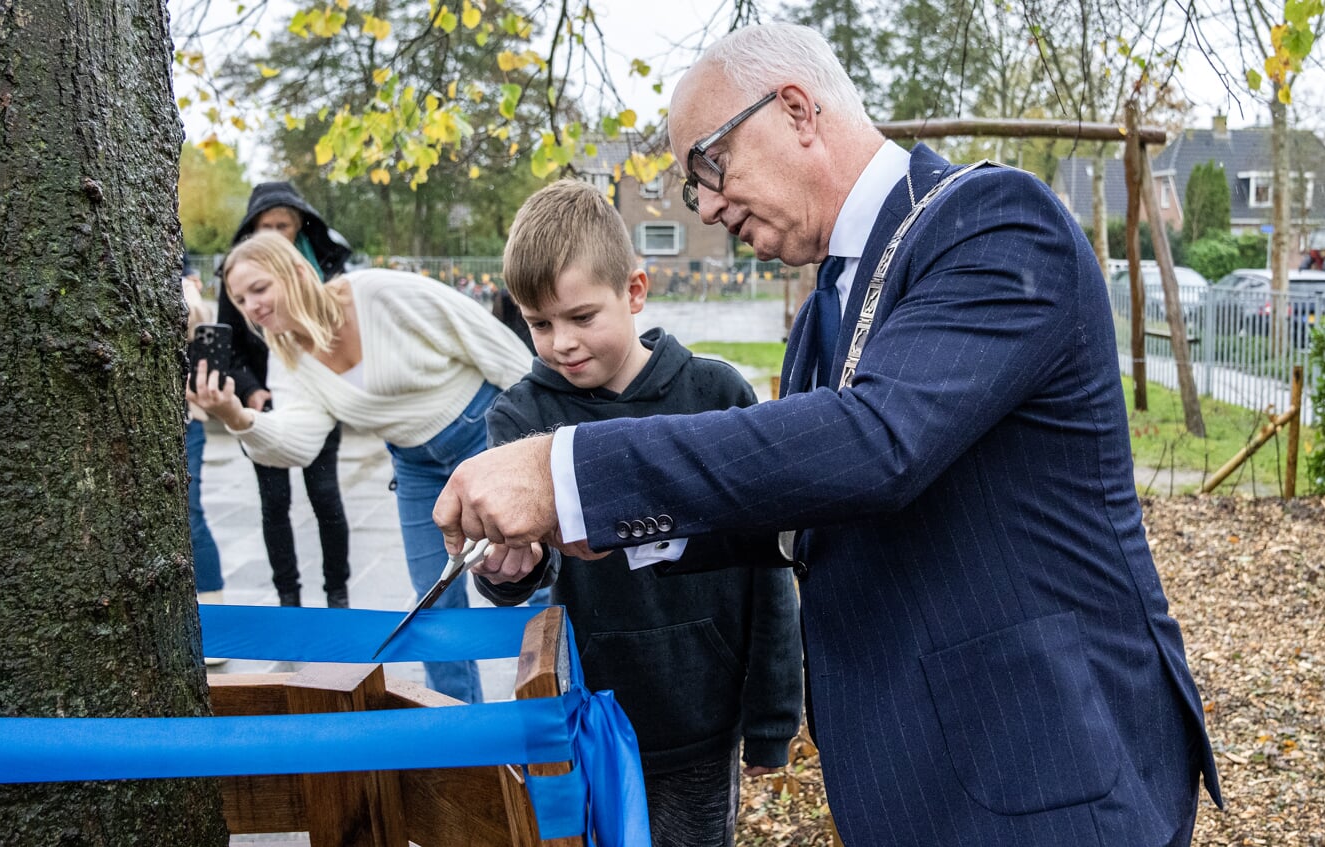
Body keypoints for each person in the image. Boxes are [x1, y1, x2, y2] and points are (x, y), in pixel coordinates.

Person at [433, 23, 1223, 847]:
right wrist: (604, 526)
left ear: (798, 110)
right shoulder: (821, 315)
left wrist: (567, 469)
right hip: (912, 769)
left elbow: (876, 443)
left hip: (1041, 758)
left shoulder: (992, 225)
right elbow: (804, 506)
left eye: (708, 164)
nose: (704, 203)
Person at [471, 180, 802, 847]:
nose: (560, 342)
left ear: (634, 290)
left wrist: (771, 713)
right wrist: (506, 570)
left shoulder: (716, 393)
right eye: (539, 324)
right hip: (592, 713)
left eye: (580, 316)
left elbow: (766, 571)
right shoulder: (519, 419)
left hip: (703, 715)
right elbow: (512, 577)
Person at [189, 231, 532, 704]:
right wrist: (236, 416)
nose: (251, 306)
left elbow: (496, 347)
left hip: (486, 433)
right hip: (416, 465)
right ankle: (459, 733)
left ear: (294, 271)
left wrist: (538, 443)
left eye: (259, 289)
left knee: (530, 576)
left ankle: (548, 714)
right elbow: (299, 442)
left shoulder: (379, 293)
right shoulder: (290, 356)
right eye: (239, 299)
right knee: (433, 605)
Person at [219, 182, 353, 608]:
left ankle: (338, 591)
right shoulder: (238, 275)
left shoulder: (327, 268)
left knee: (326, 497)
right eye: (266, 226)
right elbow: (230, 344)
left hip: (317, 398)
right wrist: (250, 390)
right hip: (262, 403)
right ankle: (288, 596)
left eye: (283, 225)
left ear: (299, 226)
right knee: (274, 504)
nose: (275, 233)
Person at [182, 255, 227, 667]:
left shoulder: (186, 287)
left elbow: (198, 317)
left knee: (191, 512)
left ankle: (213, 617)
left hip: (185, 419)